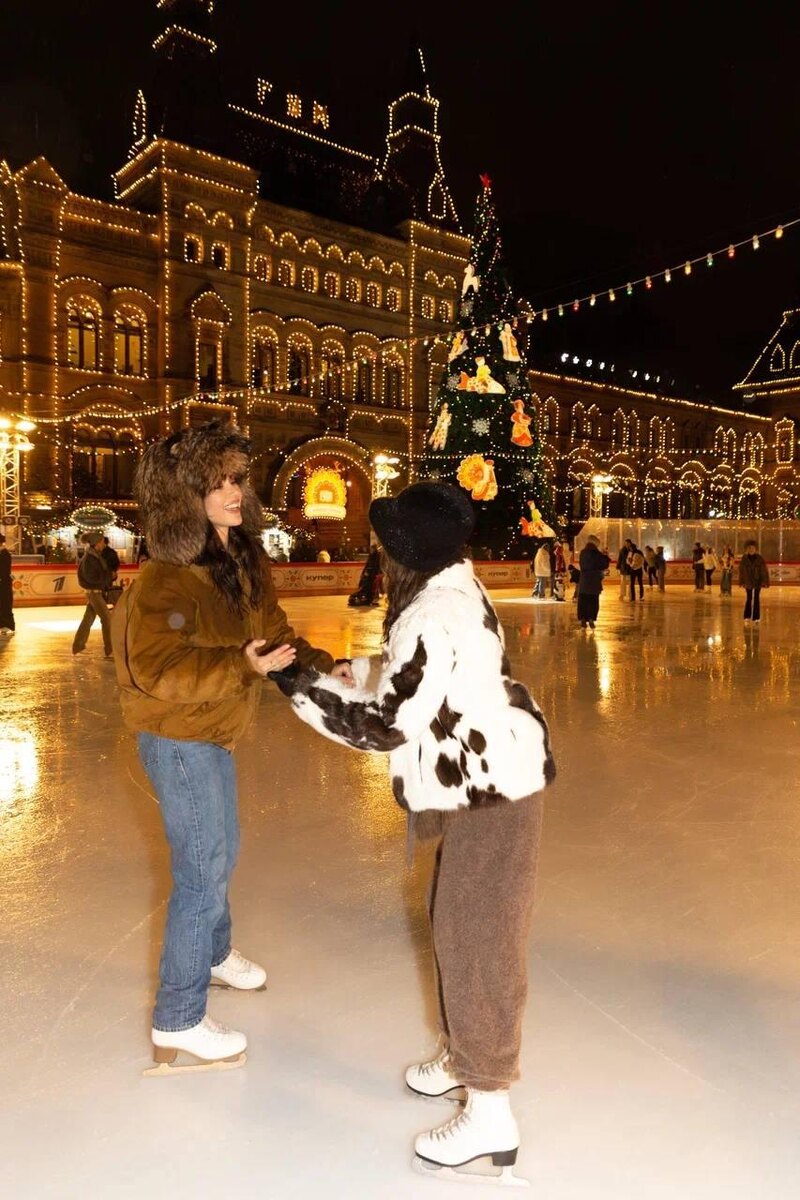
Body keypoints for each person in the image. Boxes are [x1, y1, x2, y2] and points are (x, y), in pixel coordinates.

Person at [272, 482, 555, 1184]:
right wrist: (360, 670)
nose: (376, 548)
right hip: (479, 775)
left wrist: (298, 687)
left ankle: (490, 1111)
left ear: (405, 553)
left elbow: (385, 724)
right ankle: (462, 1055)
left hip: (492, 788)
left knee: (478, 938)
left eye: (384, 540)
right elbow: (419, 684)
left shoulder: (435, 611)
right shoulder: (447, 589)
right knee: (453, 921)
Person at [111, 421, 350, 1072]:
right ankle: (178, 1019)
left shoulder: (240, 563)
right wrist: (242, 665)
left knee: (224, 850)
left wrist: (326, 668)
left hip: (214, 734)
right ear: (188, 493)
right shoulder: (166, 577)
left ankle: (213, 953)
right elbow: (156, 671)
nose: (234, 491)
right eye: (218, 482)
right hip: (177, 736)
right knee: (200, 870)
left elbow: (273, 636)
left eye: (237, 477)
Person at [72, 531, 113, 656]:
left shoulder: (94, 556)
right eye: (102, 542)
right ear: (96, 544)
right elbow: (91, 578)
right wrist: (108, 576)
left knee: (88, 619)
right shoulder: (90, 558)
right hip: (94, 593)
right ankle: (110, 649)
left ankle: (78, 646)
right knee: (107, 619)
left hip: (96, 592)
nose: (104, 545)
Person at [577, 534, 610, 630]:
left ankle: (583, 618)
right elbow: (604, 565)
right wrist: (605, 555)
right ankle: (591, 618)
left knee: (583, 600)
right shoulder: (597, 553)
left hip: (584, 581)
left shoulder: (583, 552)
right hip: (594, 581)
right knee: (593, 601)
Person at [739, 539, 770, 624]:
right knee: (749, 598)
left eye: (753, 548)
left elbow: (764, 570)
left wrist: (764, 581)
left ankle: (756, 617)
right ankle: (747, 616)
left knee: (756, 598)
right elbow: (741, 571)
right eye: (749, 548)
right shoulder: (744, 558)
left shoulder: (759, 558)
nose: (751, 550)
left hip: (757, 581)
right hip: (748, 581)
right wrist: (742, 581)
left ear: (755, 549)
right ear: (747, 549)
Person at [0, 533, 15, 637]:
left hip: (3, 584)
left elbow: (4, 571)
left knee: (4, 604)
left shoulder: (4, 554)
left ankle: (7, 625)